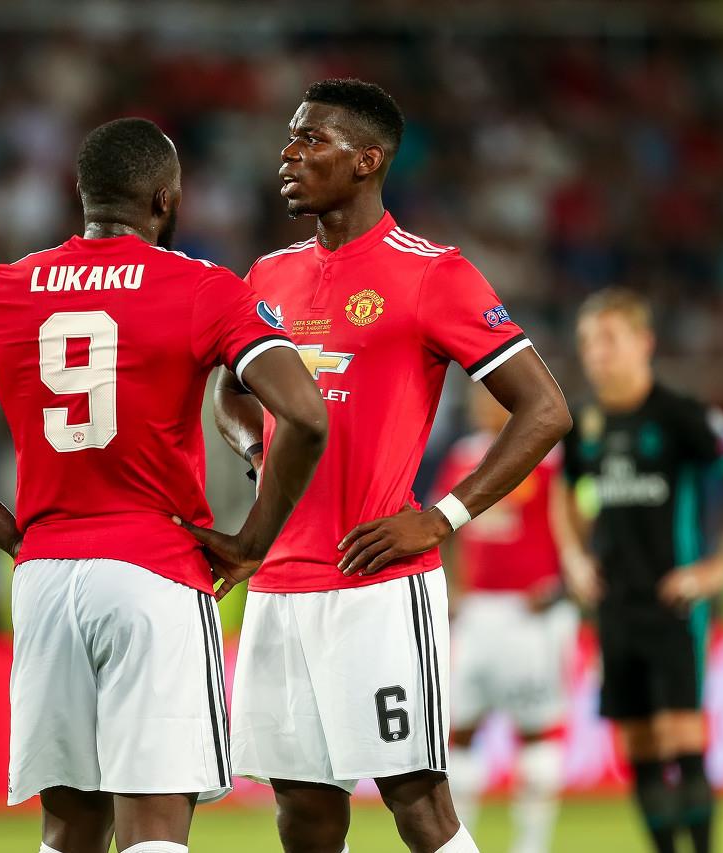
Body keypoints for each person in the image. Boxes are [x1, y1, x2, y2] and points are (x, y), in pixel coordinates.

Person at [0, 117, 328, 853]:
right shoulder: (202, 287)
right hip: (155, 571)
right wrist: (252, 540)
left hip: (47, 579)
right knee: (154, 826)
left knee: (70, 828)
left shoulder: (4, 290)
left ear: (82, 195)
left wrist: (11, 534)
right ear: (165, 198)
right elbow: (306, 416)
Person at [199, 79, 571, 853]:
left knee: (419, 805)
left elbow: (545, 409)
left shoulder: (434, 272)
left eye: (311, 139)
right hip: (278, 582)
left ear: (367, 160)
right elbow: (226, 387)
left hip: (377, 585)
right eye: (291, 137)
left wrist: (441, 517)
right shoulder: (267, 275)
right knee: (302, 813)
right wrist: (260, 451)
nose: (288, 154)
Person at [551, 288, 723, 853]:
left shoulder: (681, 414)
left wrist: (720, 565)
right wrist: (575, 559)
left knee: (682, 735)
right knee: (639, 744)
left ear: (644, 343)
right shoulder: (585, 425)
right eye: (588, 342)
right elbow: (563, 494)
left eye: (609, 339)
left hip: (674, 603)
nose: (597, 353)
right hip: (614, 605)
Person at [437, 384, 577, 853]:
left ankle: (531, 846)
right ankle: (461, 842)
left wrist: (562, 580)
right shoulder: (463, 456)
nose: (482, 404)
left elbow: (578, 517)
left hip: (529, 613)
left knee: (536, 732)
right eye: (477, 397)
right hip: (476, 613)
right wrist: (453, 588)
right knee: (460, 731)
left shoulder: (548, 457)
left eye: (490, 396)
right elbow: (443, 529)